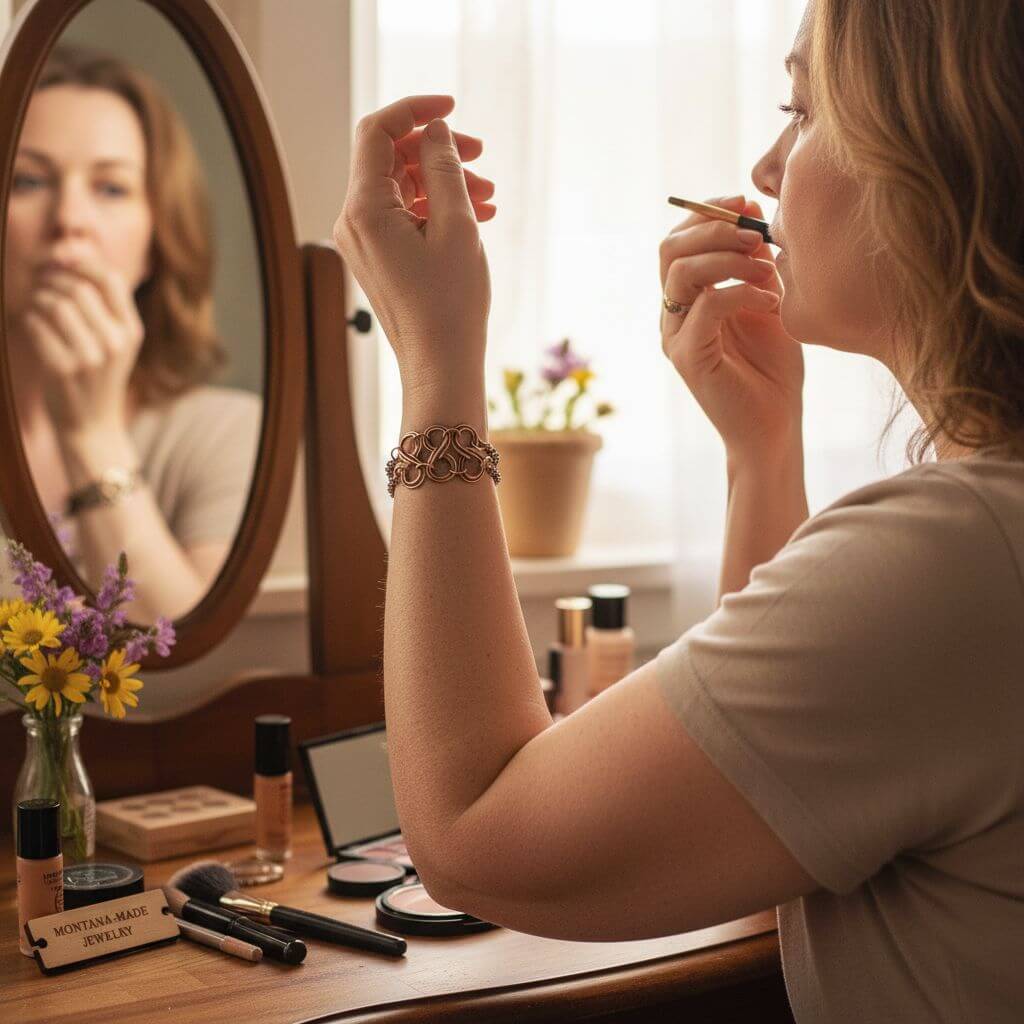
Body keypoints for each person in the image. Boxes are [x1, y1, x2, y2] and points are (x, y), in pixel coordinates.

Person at [333, 0, 1024, 1019]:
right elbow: (783, 819)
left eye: (804, 107)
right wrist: (760, 451)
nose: (765, 167)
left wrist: (436, 363)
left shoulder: (960, 554)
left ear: (943, 147)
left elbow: (473, 836)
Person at [4, 47, 261, 623]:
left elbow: (181, 673)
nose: (69, 218)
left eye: (112, 188)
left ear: (156, 238)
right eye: (27, 180)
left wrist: (90, 434)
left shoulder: (223, 436)